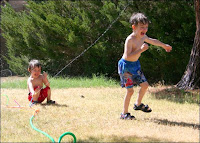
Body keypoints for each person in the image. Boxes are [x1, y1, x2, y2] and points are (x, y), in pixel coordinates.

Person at [118, 13, 172, 120]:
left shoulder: (143, 37)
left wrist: (163, 45)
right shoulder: (130, 39)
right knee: (130, 91)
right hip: (126, 67)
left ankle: (138, 104)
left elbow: (153, 41)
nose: (145, 29)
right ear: (134, 27)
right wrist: (141, 50)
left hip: (135, 65)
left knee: (145, 85)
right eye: (142, 27)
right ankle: (124, 114)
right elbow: (128, 56)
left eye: (146, 27)